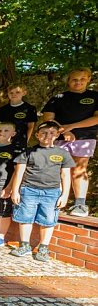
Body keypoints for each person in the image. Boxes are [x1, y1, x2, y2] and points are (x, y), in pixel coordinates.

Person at [9, 121, 74, 261]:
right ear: (37, 135)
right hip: (29, 190)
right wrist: (15, 191)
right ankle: (24, 245)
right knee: (25, 218)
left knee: (48, 220)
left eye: (52, 133)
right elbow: (19, 173)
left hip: (52, 193)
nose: (47, 136)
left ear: (57, 135)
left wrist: (64, 195)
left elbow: (66, 175)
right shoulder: (28, 152)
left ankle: (43, 248)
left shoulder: (63, 154)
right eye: (44, 133)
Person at [40, 68, 98, 217]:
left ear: (88, 79)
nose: (78, 82)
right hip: (59, 137)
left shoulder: (95, 96)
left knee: (79, 169)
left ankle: (80, 205)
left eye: (82, 79)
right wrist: (64, 131)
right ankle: (54, 201)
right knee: (58, 169)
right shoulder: (58, 97)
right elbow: (47, 118)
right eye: (74, 79)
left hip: (85, 138)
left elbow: (96, 118)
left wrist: (72, 126)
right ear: (68, 80)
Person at [0, 84, 37, 148]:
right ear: (8, 94)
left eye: (17, 92)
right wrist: (0, 140)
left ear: (24, 93)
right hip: (3, 141)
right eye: (11, 93)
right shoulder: (2, 110)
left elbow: (30, 127)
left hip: (20, 142)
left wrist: (25, 141)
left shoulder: (30, 109)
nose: (14, 94)